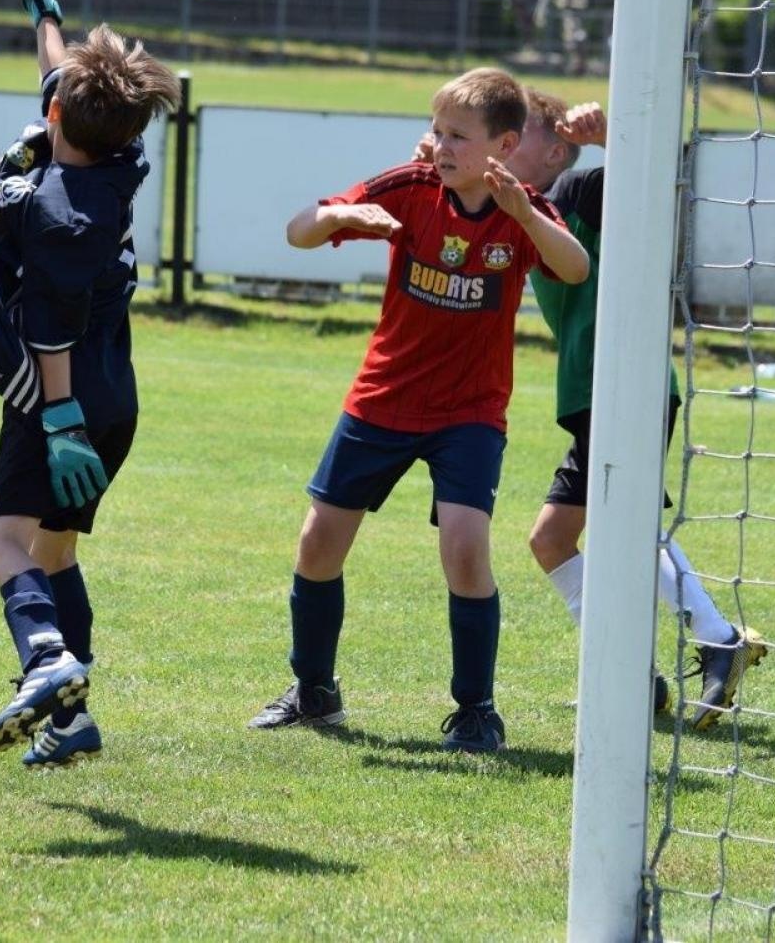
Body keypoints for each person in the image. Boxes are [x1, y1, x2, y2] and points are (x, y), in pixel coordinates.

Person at [248, 68, 591, 753]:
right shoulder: (408, 187)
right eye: (436, 131)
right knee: (318, 543)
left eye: (458, 136)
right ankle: (314, 690)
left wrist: (526, 215)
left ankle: (476, 712)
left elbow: (576, 267)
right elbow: (297, 231)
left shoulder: (517, 207)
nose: (440, 146)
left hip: (469, 411)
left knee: (465, 549)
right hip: (383, 399)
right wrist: (341, 216)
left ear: (504, 143)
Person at [0, 0, 178, 768]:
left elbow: (49, 322)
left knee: (0, 547)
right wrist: (46, 10)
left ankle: (46, 662)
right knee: (55, 550)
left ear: (55, 116)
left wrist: (60, 418)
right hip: (116, 393)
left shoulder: (60, 210)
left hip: (60, 395)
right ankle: (74, 724)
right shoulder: (118, 155)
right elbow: (60, 80)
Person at [505, 96, 767, 732]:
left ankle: (715, 639)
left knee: (628, 528)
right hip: (593, 388)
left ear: (555, 150)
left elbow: (649, 190)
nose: (500, 150)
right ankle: (637, 672)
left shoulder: (578, 184)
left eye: (515, 140)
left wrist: (608, 141)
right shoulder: (524, 208)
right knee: (552, 539)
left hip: (629, 382)